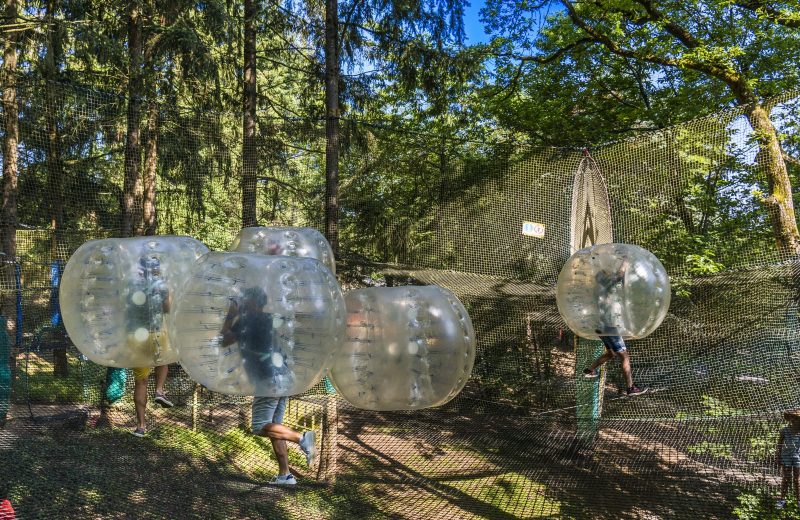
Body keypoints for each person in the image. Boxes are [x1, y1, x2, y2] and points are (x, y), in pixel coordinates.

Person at [221, 287, 317, 485]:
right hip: (283, 377)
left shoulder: (248, 321)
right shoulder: (266, 318)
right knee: (275, 428)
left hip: (268, 381)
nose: (242, 302)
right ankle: (285, 475)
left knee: (259, 426)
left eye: (245, 300)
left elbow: (224, 339)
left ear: (254, 303)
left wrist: (231, 315)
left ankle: (303, 439)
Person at [582, 257, 648, 396]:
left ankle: (590, 370)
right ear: (604, 279)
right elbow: (619, 275)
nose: (609, 275)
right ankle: (630, 388)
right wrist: (626, 261)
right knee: (624, 356)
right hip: (609, 326)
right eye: (606, 274)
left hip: (600, 326)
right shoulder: (606, 287)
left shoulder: (598, 289)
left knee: (611, 353)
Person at [129, 255, 174, 437]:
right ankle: (159, 390)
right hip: (155, 332)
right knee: (163, 360)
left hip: (135, 336)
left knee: (140, 381)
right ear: (156, 269)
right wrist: (168, 291)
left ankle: (141, 426)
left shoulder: (132, 285)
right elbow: (167, 309)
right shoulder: (160, 285)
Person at [776, 409, 800, 509]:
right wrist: (777, 456)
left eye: (796, 418)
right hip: (786, 456)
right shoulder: (784, 430)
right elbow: (779, 445)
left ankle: (798, 500)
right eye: (791, 418)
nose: (793, 420)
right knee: (786, 478)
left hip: (797, 457)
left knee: (797, 479)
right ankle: (782, 500)